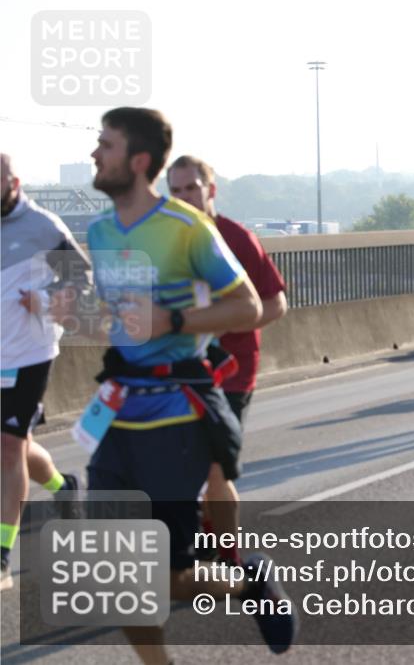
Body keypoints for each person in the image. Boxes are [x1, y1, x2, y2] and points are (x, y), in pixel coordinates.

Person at [86, 107, 297, 658]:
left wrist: (176, 321)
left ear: (138, 161)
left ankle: (243, 577)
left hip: (180, 408)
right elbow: (117, 318)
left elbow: (253, 305)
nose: (94, 153)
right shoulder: (100, 232)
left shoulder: (191, 229)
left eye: (105, 144)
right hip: (117, 411)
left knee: (170, 575)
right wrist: (68, 312)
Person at [167, 155, 288, 567]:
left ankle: (233, 563)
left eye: (191, 188)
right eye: (176, 191)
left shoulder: (236, 238)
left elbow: (276, 304)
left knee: (216, 469)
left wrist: (230, 324)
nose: (184, 197)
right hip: (181, 368)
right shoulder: (166, 242)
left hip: (232, 370)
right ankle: (203, 536)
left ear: (211, 190)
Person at [1, 153, 89, 590]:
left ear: (13, 182)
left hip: (28, 354)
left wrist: (44, 298)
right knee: (15, 446)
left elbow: (81, 279)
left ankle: (1, 556)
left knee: (8, 447)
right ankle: (62, 485)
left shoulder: (43, 226)